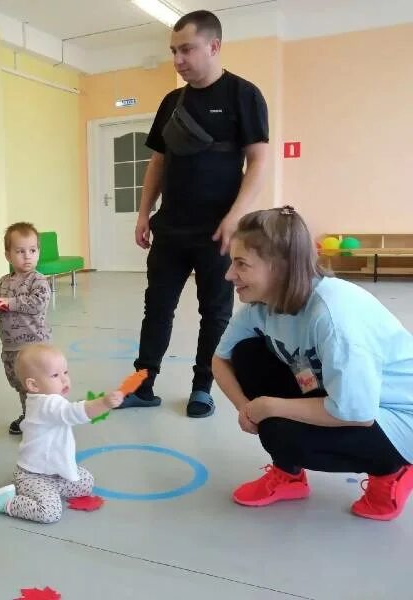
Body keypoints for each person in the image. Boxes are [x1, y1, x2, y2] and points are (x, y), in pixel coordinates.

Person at [213, 207, 413, 521]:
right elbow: (220, 359)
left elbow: (356, 413)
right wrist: (245, 407)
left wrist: (269, 407)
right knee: (247, 353)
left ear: (279, 267)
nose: (229, 275)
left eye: (241, 264)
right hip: (346, 401)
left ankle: (393, 470)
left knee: (280, 431)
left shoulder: (333, 317)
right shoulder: (264, 306)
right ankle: (289, 477)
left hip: (393, 416)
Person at [122, 10, 270, 418]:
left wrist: (235, 217)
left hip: (218, 232)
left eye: (186, 49)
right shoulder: (172, 101)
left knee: (215, 311)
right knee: (157, 307)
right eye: (173, 51)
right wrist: (142, 212)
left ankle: (202, 387)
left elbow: (258, 161)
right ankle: (142, 383)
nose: (178, 59)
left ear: (214, 46)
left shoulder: (244, 94)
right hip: (170, 228)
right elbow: (157, 162)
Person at [0, 344, 123, 523]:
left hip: (53, 473)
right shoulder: (47, 404)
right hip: (33, 475)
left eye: (65, 373)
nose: (64, 380)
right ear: (33, 385)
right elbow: (73, 413)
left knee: (86, 482)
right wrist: (104, 403)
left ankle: (47, 491)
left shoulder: (46, 400)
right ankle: (8, 502)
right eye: (55, 375)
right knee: (49, 513)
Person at [0, 222, 52, 435]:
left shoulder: (39, 280)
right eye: (20, 251)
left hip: (34, 345)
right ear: (8, 256)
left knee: (37, 384)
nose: (27, 256)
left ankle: (44, 417)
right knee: (20, 384)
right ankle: (29, 415)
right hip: (11, 345)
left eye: (32, 251)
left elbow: (38, 304)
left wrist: (9, 303)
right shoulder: (5, 281)